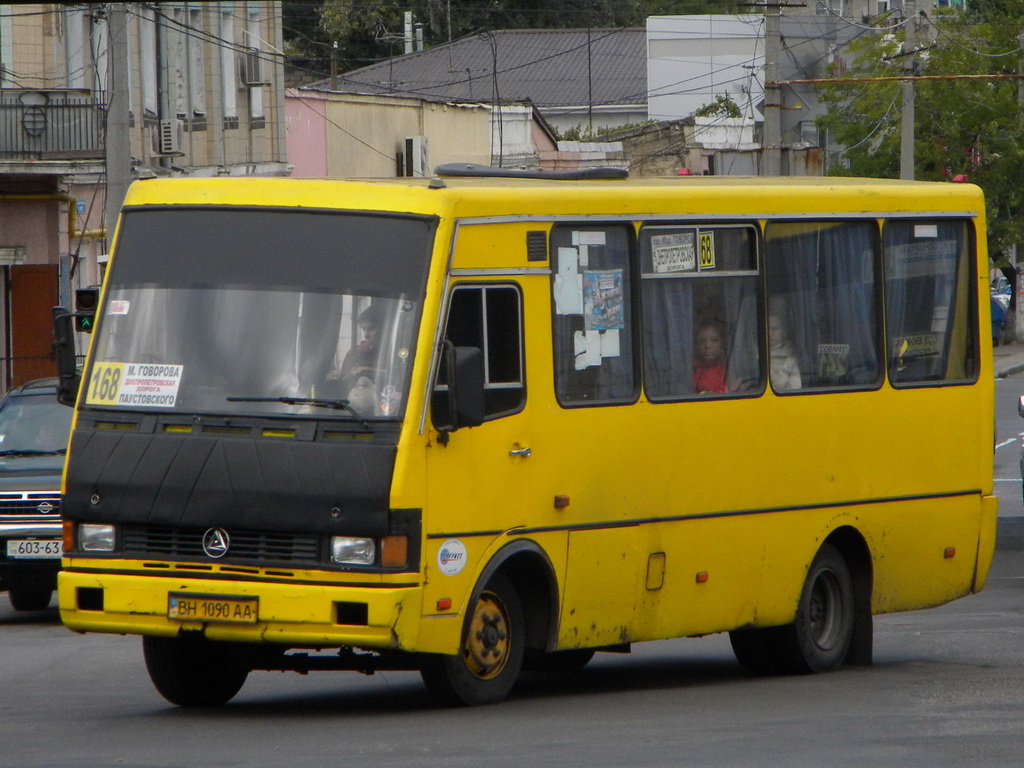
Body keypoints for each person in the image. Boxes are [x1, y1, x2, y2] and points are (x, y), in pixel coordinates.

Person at [768, 312, 802, 390]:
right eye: (767, 329)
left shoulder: (790, 358)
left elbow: (794, 386)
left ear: (784, 332)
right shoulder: (753, 355)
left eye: (775, 329)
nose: (770, 333)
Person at [693, 321, 728, 394]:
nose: (708, 346)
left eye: (714, 340)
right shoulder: (692, 369)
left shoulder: (729, 370)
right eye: (702, 341)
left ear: (723, 342)